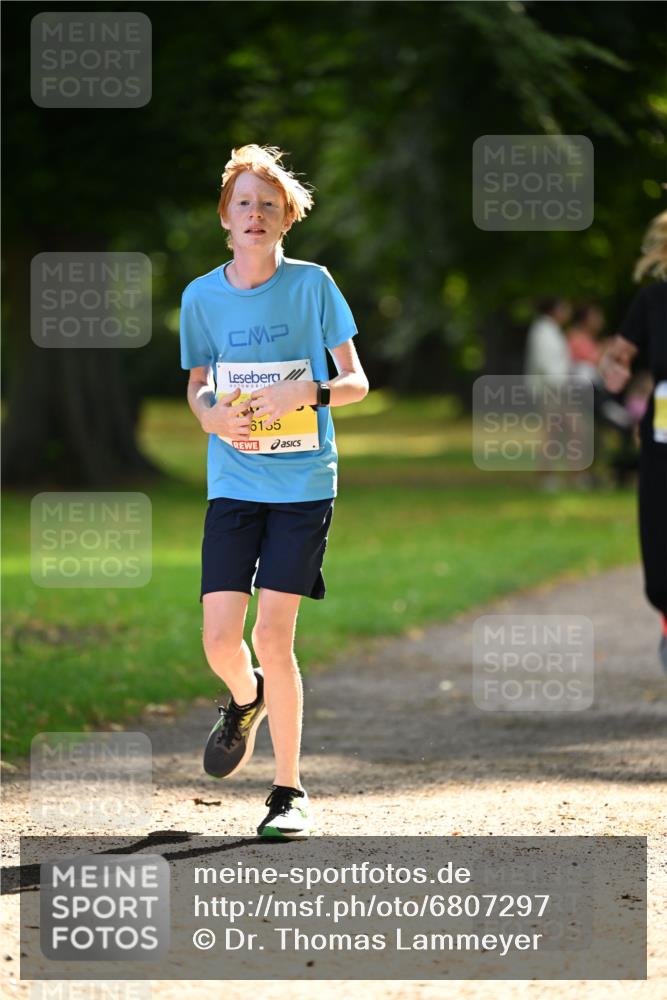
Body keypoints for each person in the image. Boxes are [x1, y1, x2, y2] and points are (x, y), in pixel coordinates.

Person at [179, 144, 369, 837]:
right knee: (220, 642)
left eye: (268, 204)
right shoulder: (201, 296)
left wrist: (310, 389)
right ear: (224, 219)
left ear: (286, 218)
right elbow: (199, 383)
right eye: (243, 204)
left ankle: (287, 791)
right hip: (233, 481)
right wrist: (210, 413)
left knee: (272, 633)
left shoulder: (314, 285)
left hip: (302, 483)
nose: (255, 214)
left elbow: (357, 380)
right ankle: (244, 697)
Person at [599, 210, 667, 671]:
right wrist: (616, 371)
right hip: (663, 443)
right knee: (661, 562)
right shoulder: (653, 301)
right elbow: (616, 359)